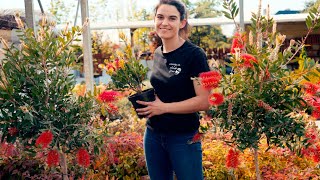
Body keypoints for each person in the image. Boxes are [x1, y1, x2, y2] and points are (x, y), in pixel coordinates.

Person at [136, 0, 210, 179]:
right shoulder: (159, 53)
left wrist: (164, 107)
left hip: (183, 137)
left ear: (182, 23)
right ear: (154, 20)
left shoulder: (194, 55)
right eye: (160, 17)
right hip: (153, 135)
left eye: (172, 18)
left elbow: (204, 101)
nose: (165, 23)